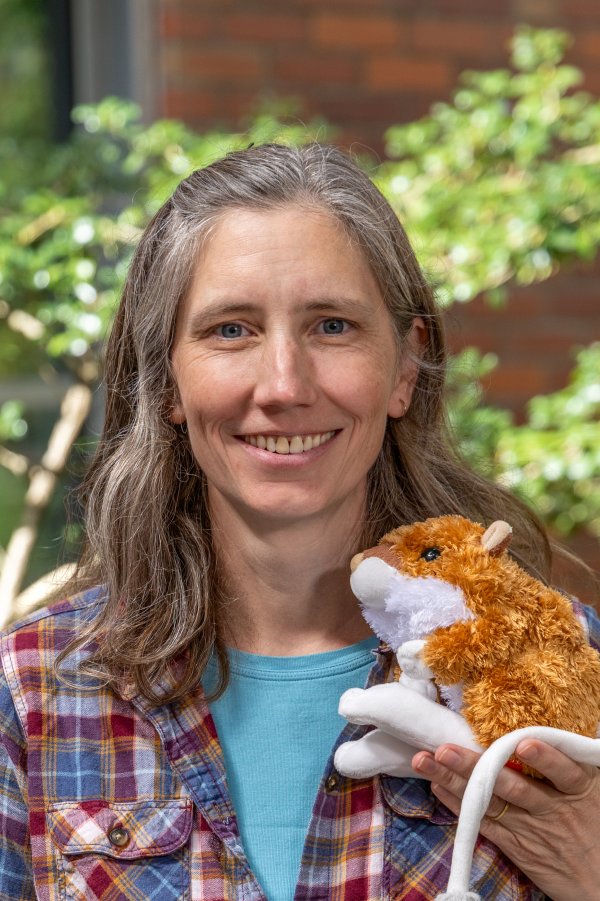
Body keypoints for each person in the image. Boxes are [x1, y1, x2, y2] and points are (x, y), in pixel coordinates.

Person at [0, 142, 598, 901]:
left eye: (332, 326)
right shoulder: (34, 693)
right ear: (167, 379)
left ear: (406, 367)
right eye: (230, 330)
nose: (284, 385)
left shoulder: (560, 660)